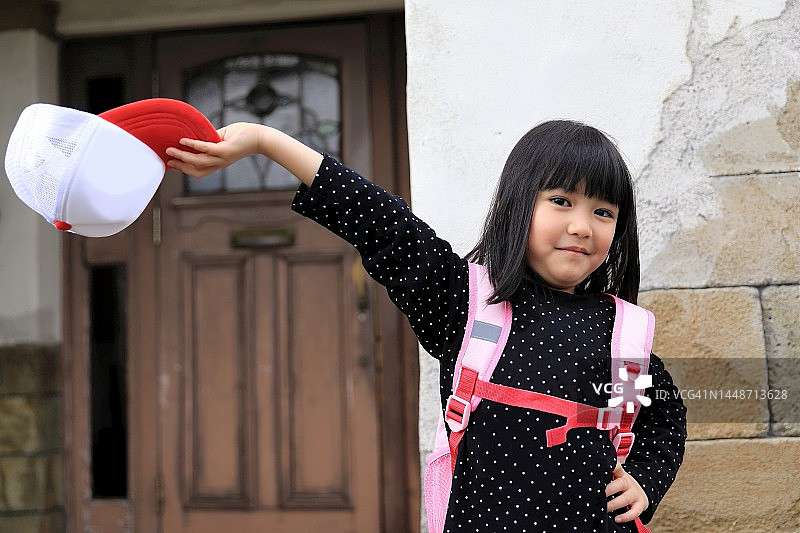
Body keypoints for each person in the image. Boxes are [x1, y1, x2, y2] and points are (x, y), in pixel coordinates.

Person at [165, 119, 687, 532]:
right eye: (561, 201)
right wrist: (265, 141)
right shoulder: (468, 304)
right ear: (515, 206)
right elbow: (382, 222)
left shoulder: (623, 335)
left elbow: (662, 420)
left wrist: (645, 479)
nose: (581, 226)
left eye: (603, 212)